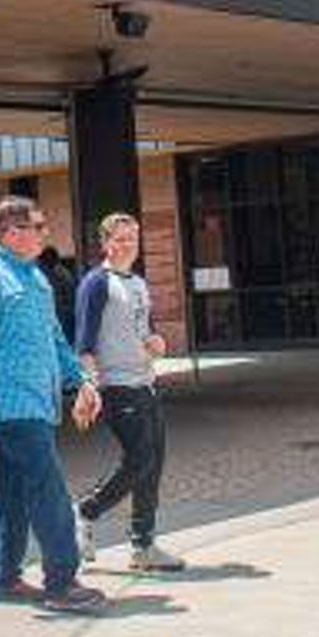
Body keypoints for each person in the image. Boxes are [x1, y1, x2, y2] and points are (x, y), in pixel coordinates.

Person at [0, 196, 106, 613]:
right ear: (11, 232)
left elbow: (55, 340)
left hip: (38, 401)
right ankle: (61, 582)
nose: (44, 233)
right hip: (10, 404)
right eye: (37, 226)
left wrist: (81, 381)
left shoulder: (35, 277)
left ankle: (3, 578)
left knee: (13, 494)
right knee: (48, 490)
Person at [73, 212, 186, 573]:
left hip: (145, 383)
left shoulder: (137, 283)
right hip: (116, 386)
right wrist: (89, 385)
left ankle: (143, 546)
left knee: (153, 464)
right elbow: (84, 343)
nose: (126, 245)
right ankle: (85, 511)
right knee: (139, 459)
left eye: (132, 239)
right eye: (119, 239)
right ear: (105, 243)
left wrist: (156, 342)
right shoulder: (96, 283)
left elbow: (144, 331)